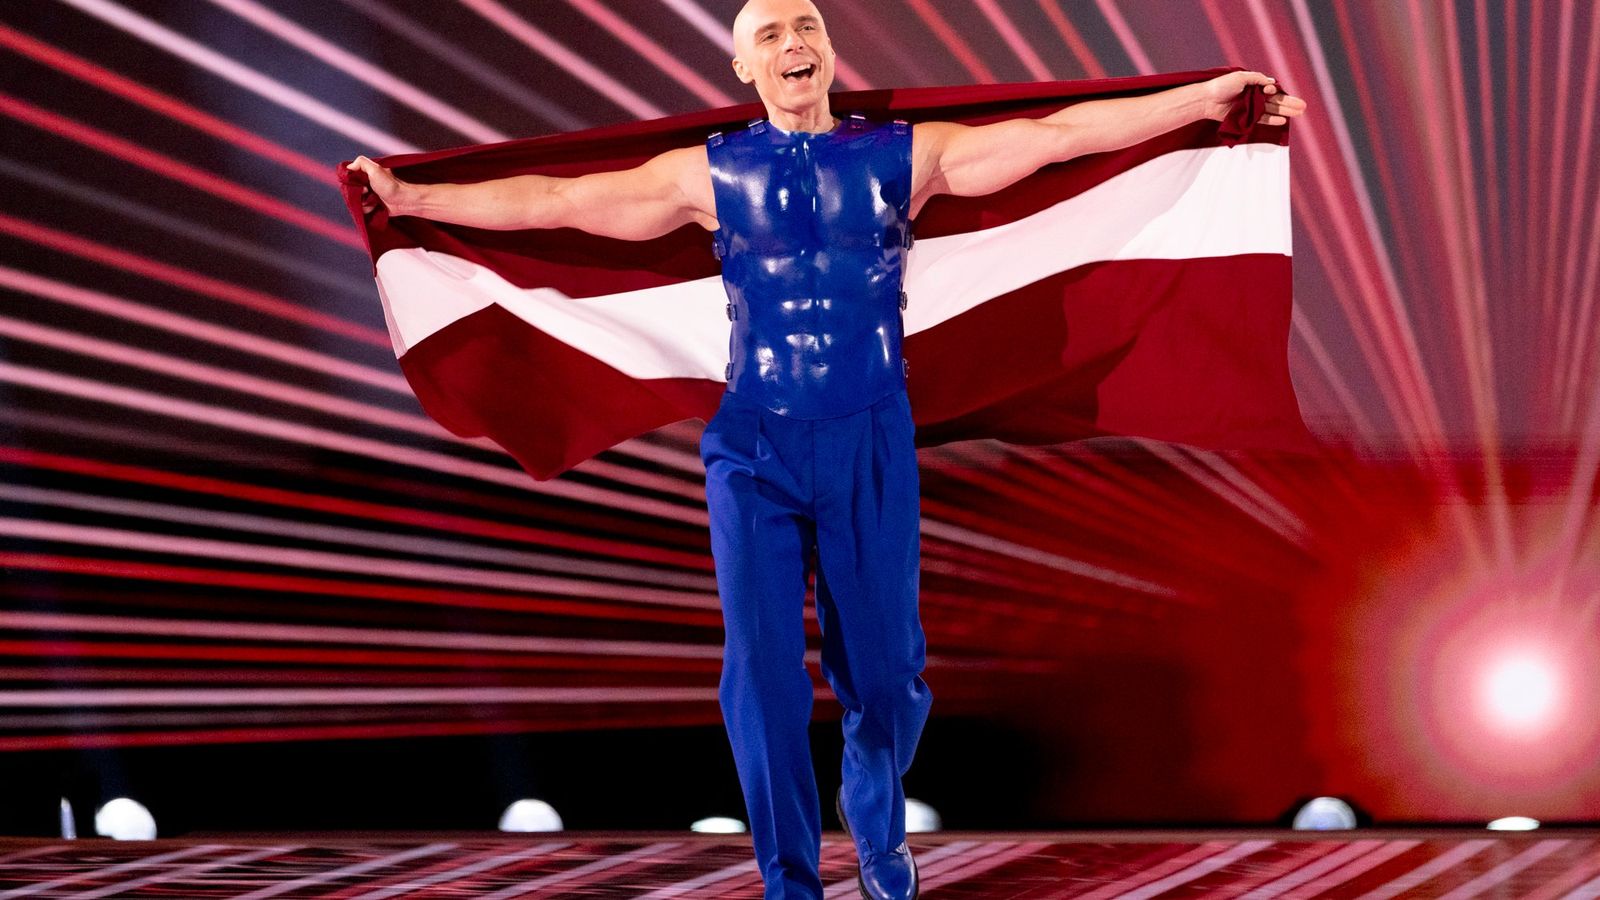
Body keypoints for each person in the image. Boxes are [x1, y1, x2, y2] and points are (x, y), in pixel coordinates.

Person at [346, 2, 1307, 897]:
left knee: (886, 677)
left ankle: (875, 819)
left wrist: (1203, 98)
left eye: (805, 25)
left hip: (868, 434)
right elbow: (556, 201)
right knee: (760, 676)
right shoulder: (704, 175)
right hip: (754, 444)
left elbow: (1059, 136)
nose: (792, 43)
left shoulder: (902, 155)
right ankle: (789, 880)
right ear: (744, 66)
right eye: (769, 34)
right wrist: (413, 196)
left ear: (829, 50)